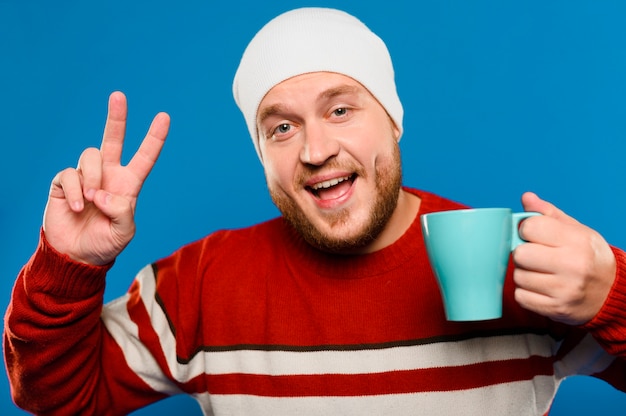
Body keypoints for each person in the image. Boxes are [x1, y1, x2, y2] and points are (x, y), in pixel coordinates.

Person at [4, 7, 626, 415]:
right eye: (280, 127)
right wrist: (69, 264)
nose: (316, 149)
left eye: (340, 109)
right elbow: (54, 397)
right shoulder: (199, 285)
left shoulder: (514, 263)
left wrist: (609, 291)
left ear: (393, 122)